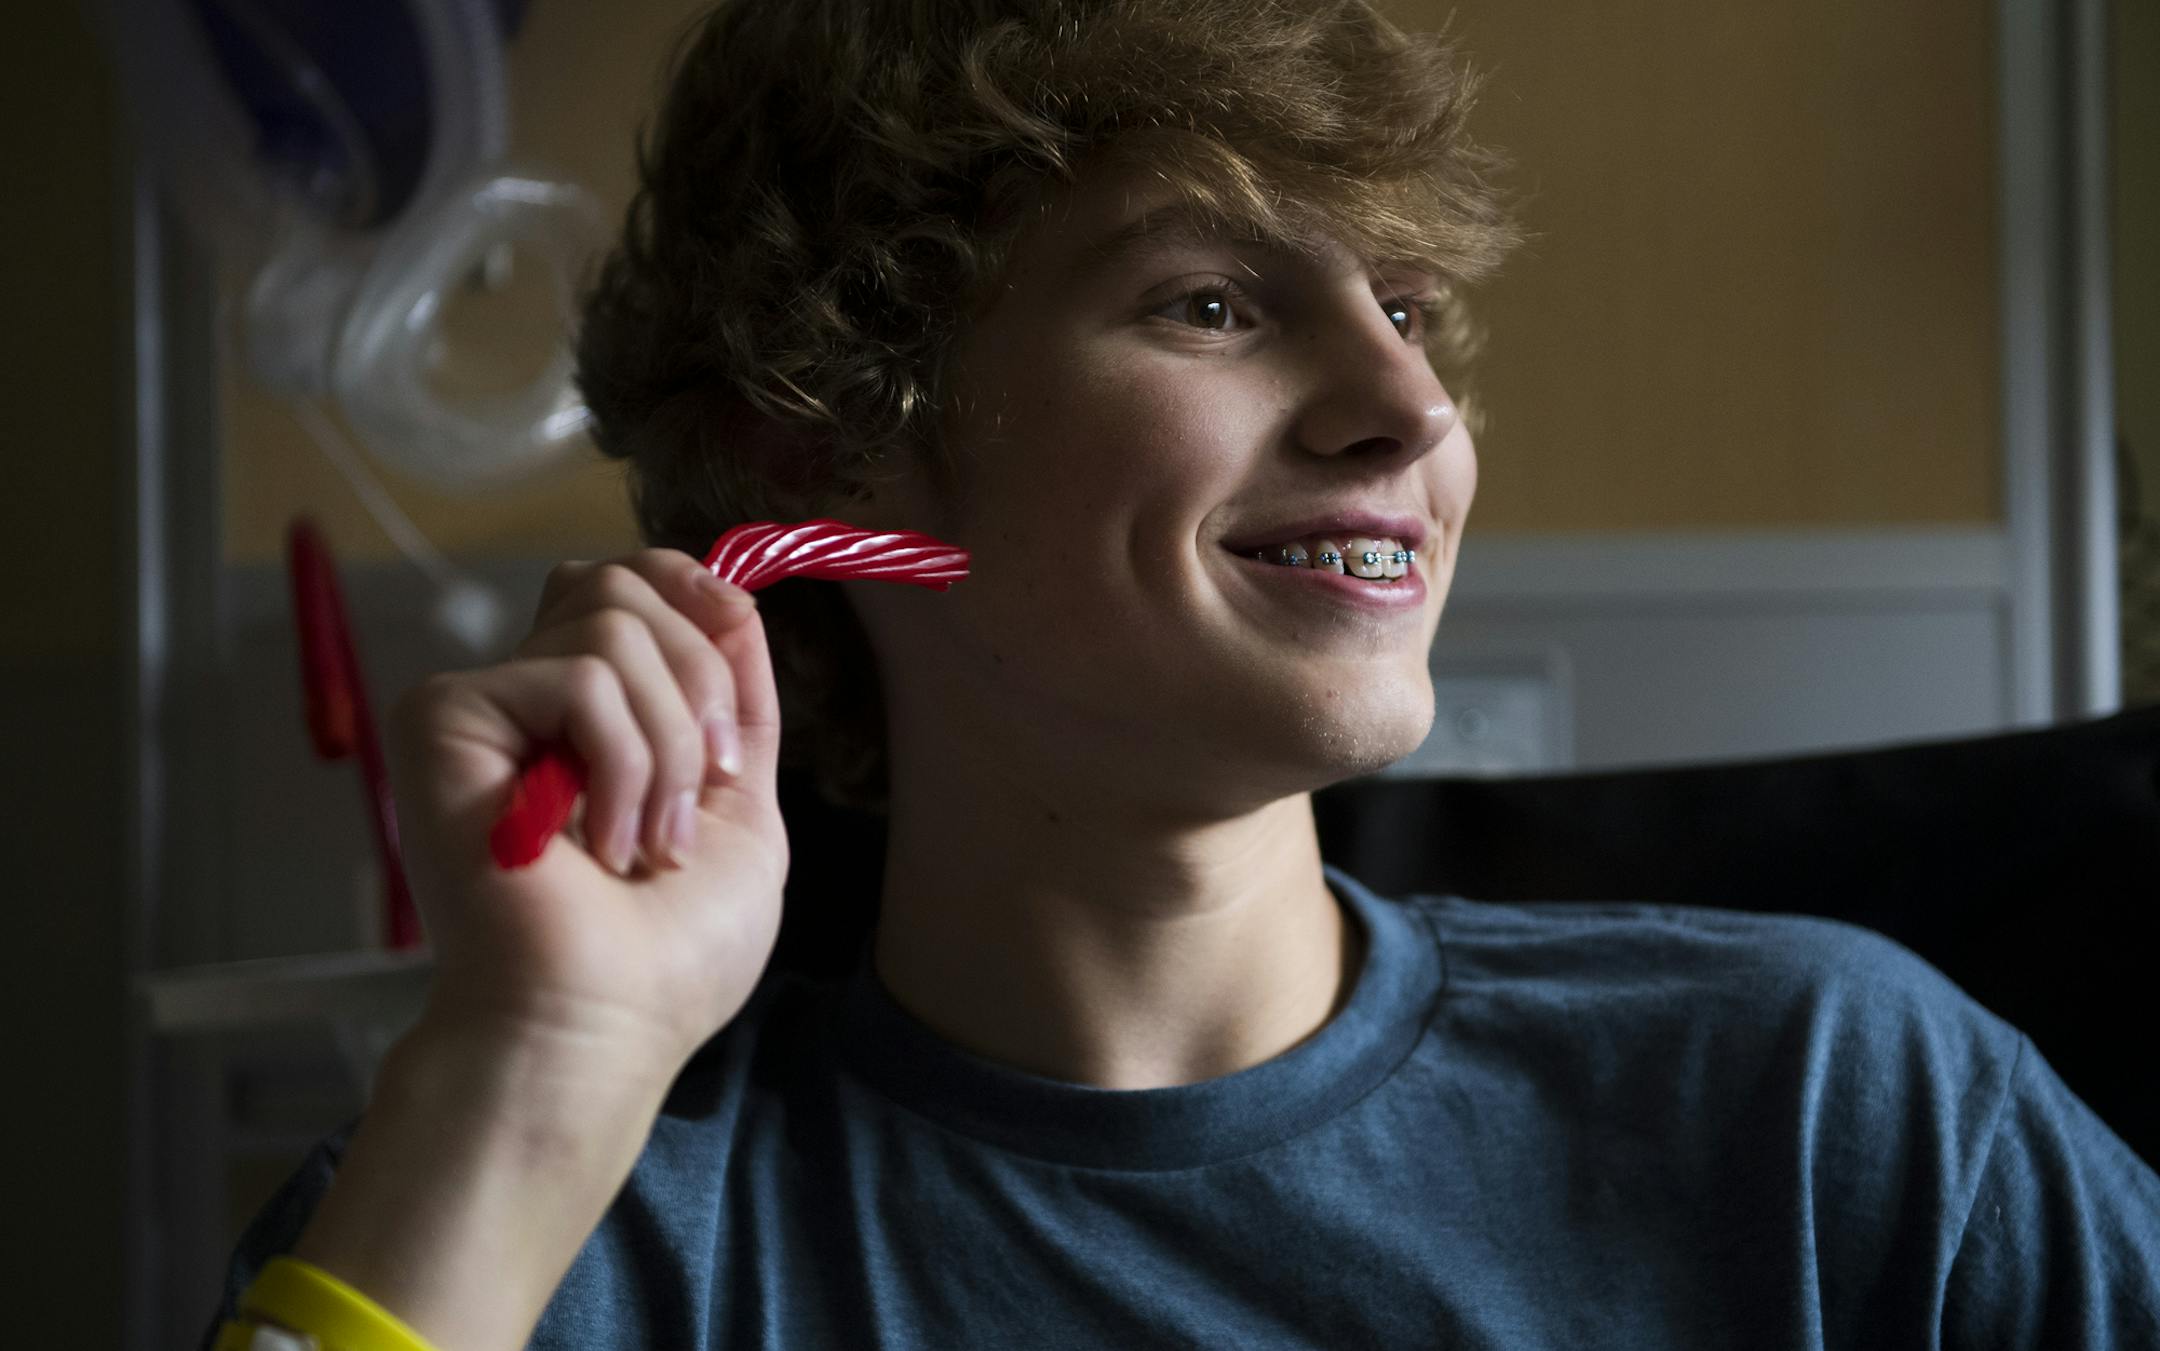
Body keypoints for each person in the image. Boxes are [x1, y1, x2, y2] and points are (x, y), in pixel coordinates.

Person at [205, 0, 2160, 1347]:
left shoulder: (1835, 1110)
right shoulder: (557, 1240)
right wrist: (538, 1068)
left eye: (1409, 308)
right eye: (1212, 301)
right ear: (833, 459)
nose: (1410, 407)